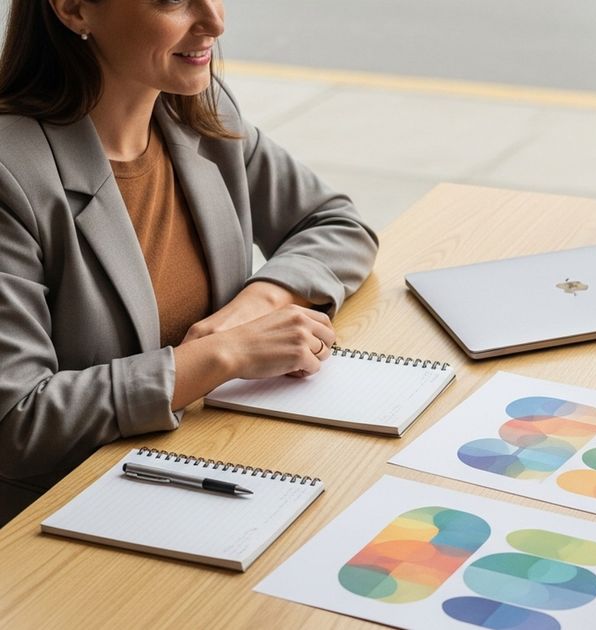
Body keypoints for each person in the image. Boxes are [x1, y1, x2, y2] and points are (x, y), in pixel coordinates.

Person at [0, 0, 378, 524]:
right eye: (173, 1)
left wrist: (256, 305)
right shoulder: (11, 174)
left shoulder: (196, 109)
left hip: (211, 469)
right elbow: (19, 423)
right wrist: (219, 358)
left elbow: (337, 225)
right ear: (73, 9)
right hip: (67, 519)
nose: (215, 22)